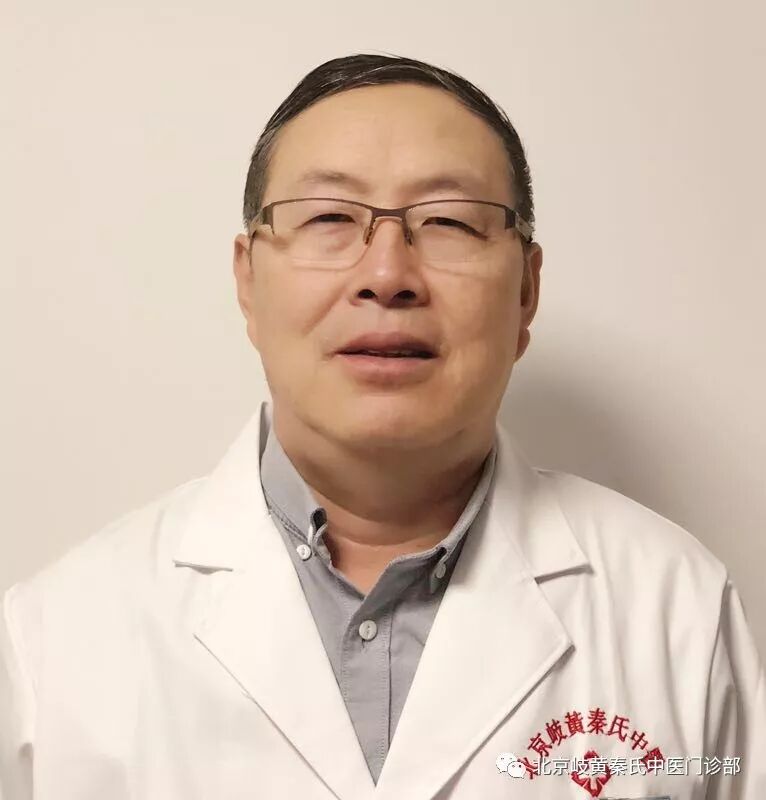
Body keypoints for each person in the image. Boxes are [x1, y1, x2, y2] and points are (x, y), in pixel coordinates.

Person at [1, 53, 764, 800]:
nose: (387, 275)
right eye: (331, 217)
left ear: (526, 291)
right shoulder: (56, 640)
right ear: (248, 281)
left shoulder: (675, 609)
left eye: (449, 221)